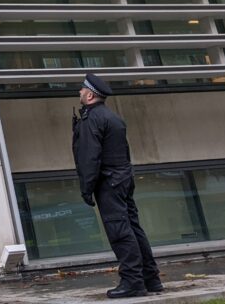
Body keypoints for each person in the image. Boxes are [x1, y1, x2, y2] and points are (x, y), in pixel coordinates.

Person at [73, 73, 161, 298]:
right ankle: (151, 279)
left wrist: (86, 188)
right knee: (133, 228)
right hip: (122, 179)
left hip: (109, 182)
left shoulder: (91, 119)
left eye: (83, 90)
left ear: (90, 95)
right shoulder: (113, 118)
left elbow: (89, 157)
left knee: (119, 231)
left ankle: (133, 282)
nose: (80, 93)